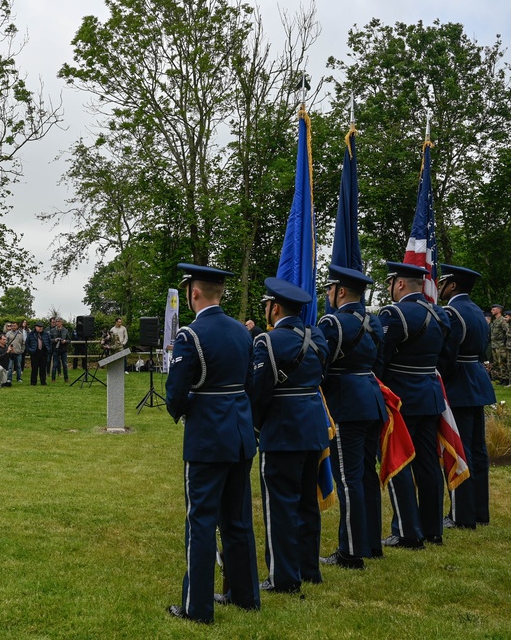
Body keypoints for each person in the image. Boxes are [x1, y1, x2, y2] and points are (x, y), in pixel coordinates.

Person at [163, 264, 259, 623]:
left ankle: (197, 607)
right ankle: (245, 595)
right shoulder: (241, 332)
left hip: (207, 435)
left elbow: (175, 393)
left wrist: (188, 408)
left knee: (200, 521)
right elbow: (250, 383)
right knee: (237, 520)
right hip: (239, 431)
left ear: (194, 292)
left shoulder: (191, 335)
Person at [252, 277, 328, 595]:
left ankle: (283, 577)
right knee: (307, 501)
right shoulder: (318, 336)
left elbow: (258, 392)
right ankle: (309, 567)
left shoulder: (268, 343)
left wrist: (256, 428)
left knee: (281, 503)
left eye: (267, 305)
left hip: (283, 428)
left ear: (275, 307)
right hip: (313, 423)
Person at [375, 261, 451, 549]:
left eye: (391, 283)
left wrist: (380, 390)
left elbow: (380, 358)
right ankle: (432, 529)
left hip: (401, 397)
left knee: (399, 460)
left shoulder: (394, 314)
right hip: (430, 395)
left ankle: (407, 531)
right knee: (429, 464)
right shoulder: (439, 312)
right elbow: (447, 357)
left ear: (400, 284)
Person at [317, 265, 388, 569]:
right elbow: (381, 361)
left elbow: (322, 364)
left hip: (347, 403)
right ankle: (371, 542)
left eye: (330, 289)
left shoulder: (332, 322)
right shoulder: (373, 321)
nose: (328, 295)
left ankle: (350, 550)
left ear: (340, 291)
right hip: (372, 398)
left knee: (348, 478)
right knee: (367, 476)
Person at [437, 265, 496, 530]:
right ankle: (480, 511)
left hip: (459, 381)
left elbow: (448, 354)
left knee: (461, 452)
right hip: (476, 378)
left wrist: (440, 377)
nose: (438, 286)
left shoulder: (452, 312)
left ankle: (462, 515)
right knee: (478, 451)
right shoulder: (475, 310)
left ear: (452, 286)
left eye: (443, 282)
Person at [26, 322, 52, 386]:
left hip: (43, 353)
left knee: (43, 368)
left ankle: (43, 382)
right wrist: (30, 350)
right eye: (39, 327)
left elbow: (49, 342)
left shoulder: (46, 334)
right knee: (34, 368)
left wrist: (49, 349)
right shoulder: (31, 334)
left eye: (42, 327)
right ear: (36, 327)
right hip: (34, 353)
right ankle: (33, 382)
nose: (40, 328)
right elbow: (27, 343)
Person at [490, 304, 509, 385]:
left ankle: (505, 379)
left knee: (502, 362)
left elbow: (507, 331)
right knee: (496, 362)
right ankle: (500, 378)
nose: (491, 311)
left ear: (499, 310)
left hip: (501, 345)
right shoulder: (494, 321)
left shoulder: (502, 320)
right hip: (494, 344)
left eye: (493, 309)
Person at [48, 317, 70, 382]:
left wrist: (65, 341)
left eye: (58, 321)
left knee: (65, 365)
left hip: (64, 350)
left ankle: (66, 378)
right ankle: (53, 379)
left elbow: (69, 340)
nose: (57, 323)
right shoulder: (52, 330)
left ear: (62, 322)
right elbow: (49, 340)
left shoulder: (66, 331)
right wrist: (54, 340)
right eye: (56, 321)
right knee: (55, 364)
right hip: (55, 350)